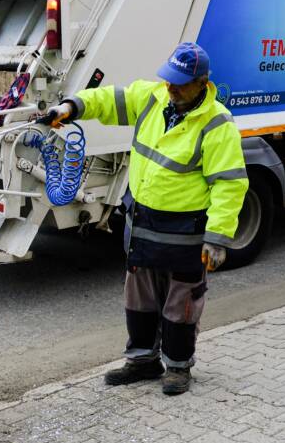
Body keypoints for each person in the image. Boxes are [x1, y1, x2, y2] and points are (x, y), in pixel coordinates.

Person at [42, 42, 247, 395]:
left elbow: (229, 185)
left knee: (180, 306)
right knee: (139, 302)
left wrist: (217, 238)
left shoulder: (217, 125)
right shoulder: (152, 98)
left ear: (203, 82)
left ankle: (178, 368)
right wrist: (71, 106)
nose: (172, 88)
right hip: (142, 226)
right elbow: (107, 100)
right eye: (169, 80)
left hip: (185, 235)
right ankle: (142, 361)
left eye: (181, 83)